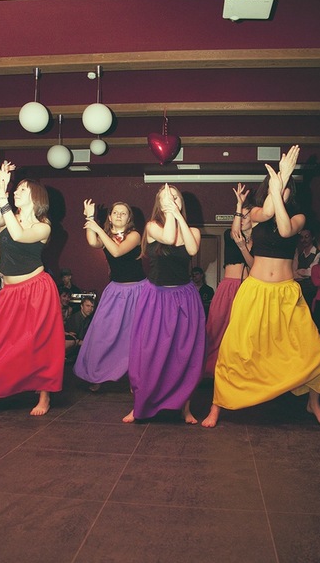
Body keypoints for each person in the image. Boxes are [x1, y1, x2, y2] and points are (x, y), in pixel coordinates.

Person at [202, 146, 320, 429]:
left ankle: (314, 402)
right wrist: (279, 180)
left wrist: (281, 182)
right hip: (255, 291)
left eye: (286, 187)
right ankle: (217, 405)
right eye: (276, 186)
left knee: (316, 350)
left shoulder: (299, 217)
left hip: (286, 293)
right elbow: (269, 213)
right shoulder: (257, 212)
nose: (281, 190)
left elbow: (285, 229)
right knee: (234, 350)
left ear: (290, 193)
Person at [0, 161, 65, 416]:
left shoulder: (43, 226)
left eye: (22, 189)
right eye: (16, 188)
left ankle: (44, 395)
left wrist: (4, 201)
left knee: (39, 344)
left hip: (36, 289)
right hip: (10, 292)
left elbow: (19, 235)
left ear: (36, 197)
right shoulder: (10, 217)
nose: (17, 192)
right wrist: (0, 188)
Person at [123, 183, 206, 424]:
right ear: (158, 205)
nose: (171, 201)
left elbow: (192, 248)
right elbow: (168, 237)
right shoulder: (152, 227)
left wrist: (177, 216)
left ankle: (185, 408)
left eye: (175, 198)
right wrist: (171, 213)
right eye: (165, 198)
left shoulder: (193, 231)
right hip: (156, 297)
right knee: (148, 354)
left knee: (185, 355)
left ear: (181, 203)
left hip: (184, 298)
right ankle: (138, 406)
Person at [74, 200, 146, 392]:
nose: (119, 215)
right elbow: (92, 241)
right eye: (115, 212)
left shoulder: (135, 235)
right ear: (110, 217)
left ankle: (135, 379)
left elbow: (117, 251)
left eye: (123, 213)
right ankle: (97, 375)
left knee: (137, 337)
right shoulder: (105, 236)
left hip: (138, 291)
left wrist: (97, 227)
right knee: (102, 333)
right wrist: (90, 217)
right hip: (116, 291)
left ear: (129, 218)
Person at [204, 182, 253, 378]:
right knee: (217, 327)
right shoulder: (229, 234)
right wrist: (239, 205)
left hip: (247, 288)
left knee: (242, 330)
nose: (242, 219)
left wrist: (245, 247)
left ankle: (238, 368)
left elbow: (254, 264)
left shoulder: (257, 240)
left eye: (246, 216)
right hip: (228, 286)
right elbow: (234, 233)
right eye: (240, 216)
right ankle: (211, 366)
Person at [293, 226, 320, 310]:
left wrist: (299, 273)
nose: (303, 240)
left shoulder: (318, 254)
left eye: (307, 237)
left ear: (313, 237)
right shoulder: (300, 254)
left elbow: (311, 272)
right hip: (300, 290)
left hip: (311, 291)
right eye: (301, 237)